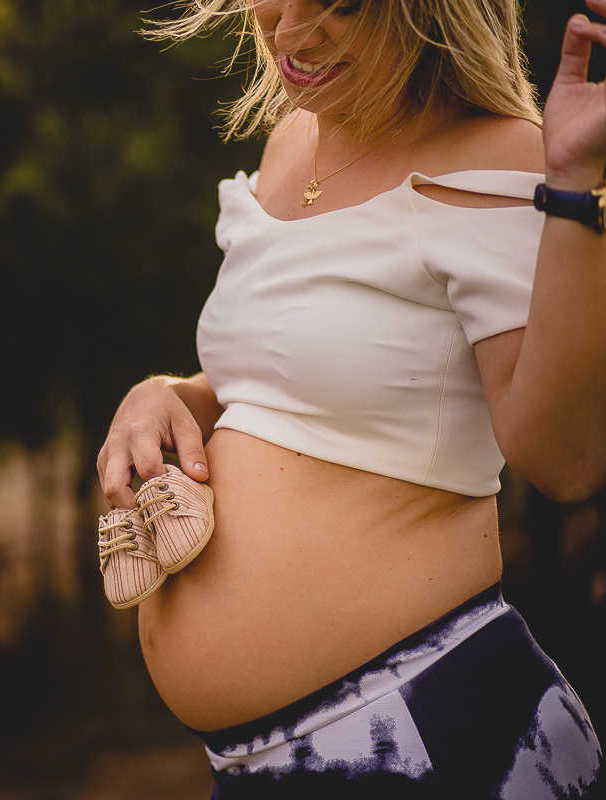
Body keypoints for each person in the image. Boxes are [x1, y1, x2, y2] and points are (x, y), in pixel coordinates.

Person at [95, 0, 606, 796]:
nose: (294, 30)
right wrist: (160, 395)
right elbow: (277, 384)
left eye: (344, 3)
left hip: (433, 736)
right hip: (255, 767)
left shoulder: (498, 160)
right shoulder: (294, 144)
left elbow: (567, 462)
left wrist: (574, 190)